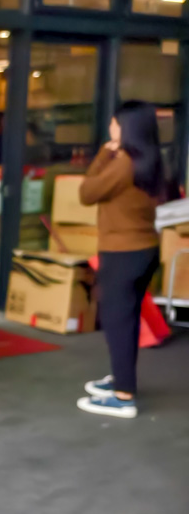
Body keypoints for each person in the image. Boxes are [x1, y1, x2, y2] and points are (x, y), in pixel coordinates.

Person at [76, 101, 163, 420]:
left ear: (124, 128)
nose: (110, 128)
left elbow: (86, 193)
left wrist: (103, 153)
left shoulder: (123, 163)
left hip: (122, 254)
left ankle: (123, 396)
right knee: (125, 321)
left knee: (118, 323)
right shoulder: (151, 160)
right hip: (144, 250)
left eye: (114, 124)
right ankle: (121, 379)